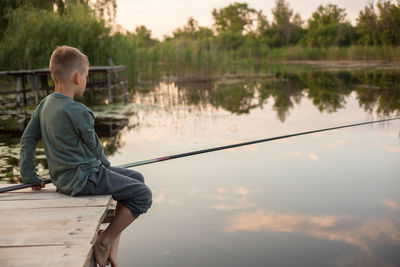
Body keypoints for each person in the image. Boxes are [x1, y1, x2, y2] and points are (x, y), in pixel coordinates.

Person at [20, 45, 152, 267]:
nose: (87, 81)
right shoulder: (78, 111)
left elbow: (28, 140)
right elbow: (95, 148)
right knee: (142, 195)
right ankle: (105, 241)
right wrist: (106, 165)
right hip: (85, 179)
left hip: (64, 180)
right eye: (87, 77)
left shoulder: (45, 105)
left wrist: (30, 175)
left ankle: (112, 243)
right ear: (77, 77)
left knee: (136, 178)